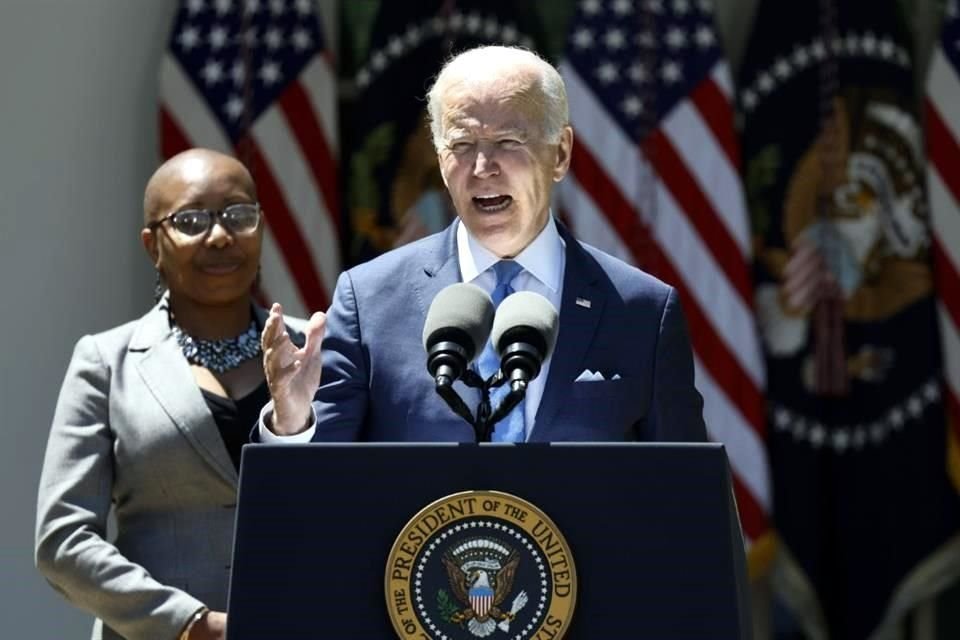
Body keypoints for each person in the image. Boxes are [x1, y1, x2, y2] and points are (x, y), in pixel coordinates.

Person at [260, 45, 706, 443]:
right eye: (462, 144)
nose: (482, 166)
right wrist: (293, 424)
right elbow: (316, 492)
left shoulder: (643, 311)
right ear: (439, 160)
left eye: (508, 142)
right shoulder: (369, 300)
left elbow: (686, 497)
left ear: (561, 154)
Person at [35, 149, 304, 640]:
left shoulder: (316, 352)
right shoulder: (105, 362)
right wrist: (189, 623)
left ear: (262, 227)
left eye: (239, 215)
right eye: (191, 220)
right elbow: (63, 540)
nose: (221, 236)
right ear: (152, 244)